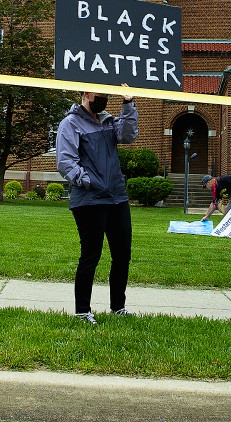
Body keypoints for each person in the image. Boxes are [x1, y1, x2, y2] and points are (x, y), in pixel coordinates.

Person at [56, 84, 137, 325]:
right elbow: (65, 162)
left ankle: (118, 307)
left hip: (117, 197)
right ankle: (82, 311)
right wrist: (90, 181)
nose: (104, 99)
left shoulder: (109, 121)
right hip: (90, 199)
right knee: (91, 255)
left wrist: (128, 103)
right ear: (86, 94)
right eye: (100, 95)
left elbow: (128, 135)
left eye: (106, 96)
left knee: (122, 254)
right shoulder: (70, 124)